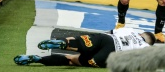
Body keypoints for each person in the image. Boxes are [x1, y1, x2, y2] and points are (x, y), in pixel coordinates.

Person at [14, 27, 156, 68]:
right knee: (71, 60)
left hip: (106, 39)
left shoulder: (130, 30)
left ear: (141, 33)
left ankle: (64, 43)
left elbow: (109, 32)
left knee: (78, 42)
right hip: (109, 55)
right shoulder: (145, 47)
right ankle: (39, 60)